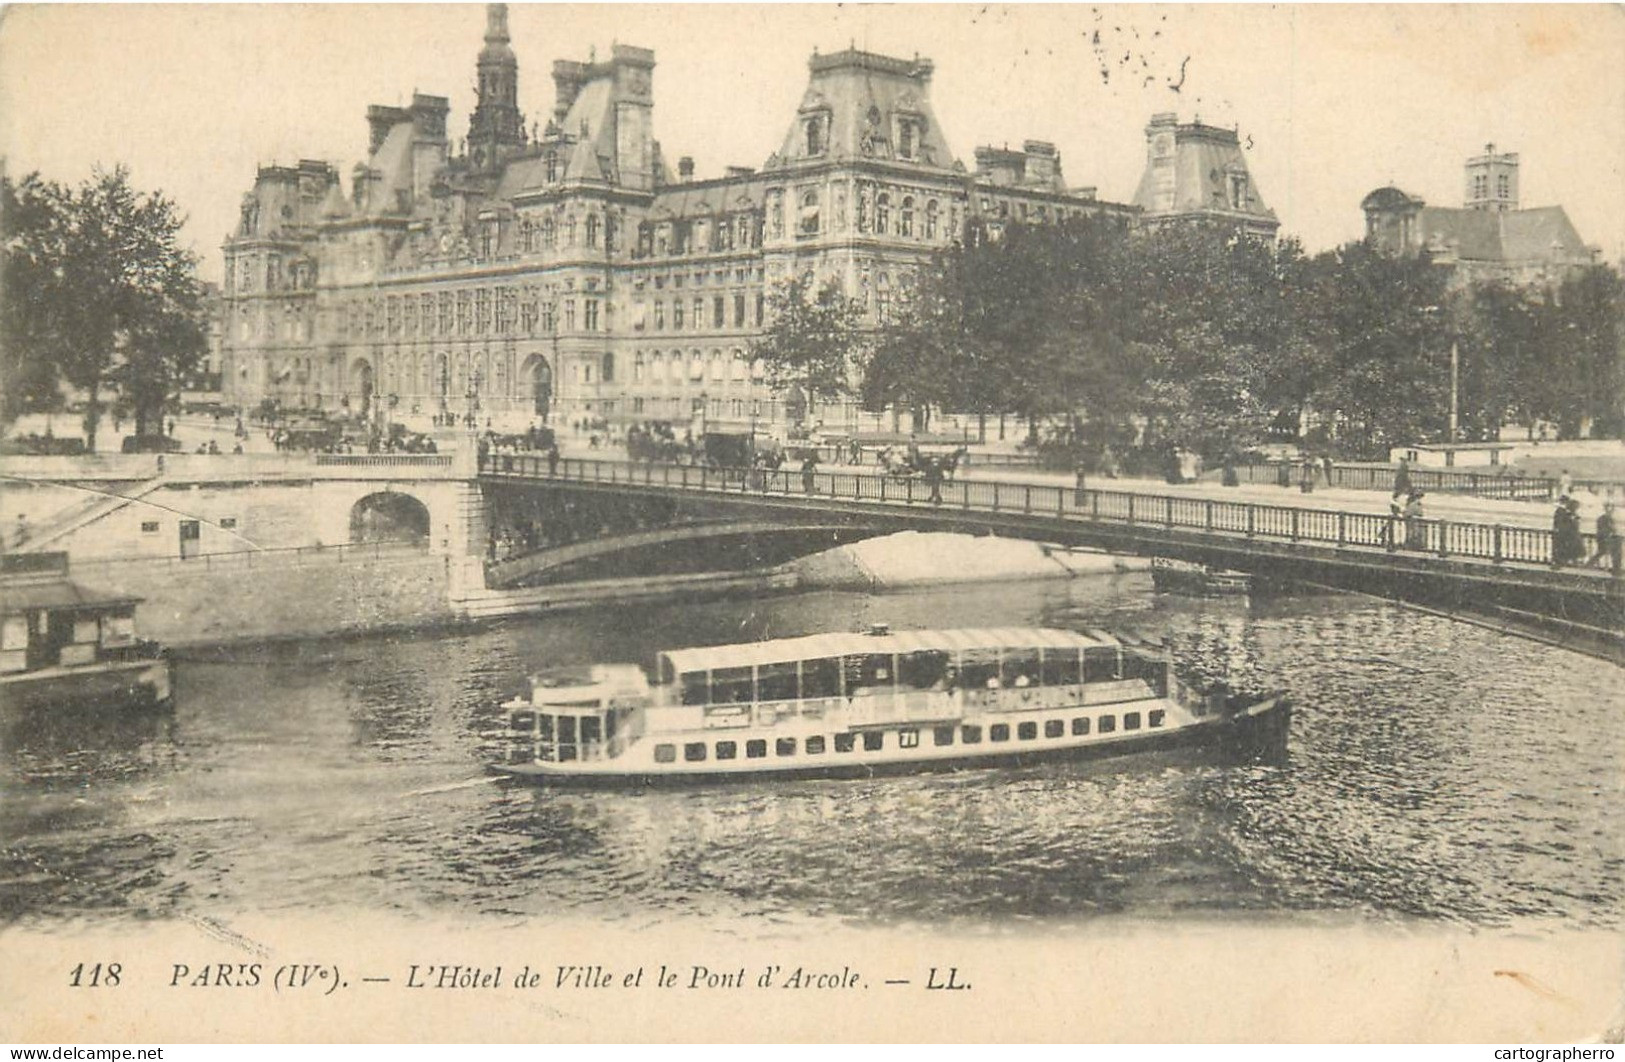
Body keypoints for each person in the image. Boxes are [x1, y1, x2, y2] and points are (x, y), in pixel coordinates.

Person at [1595, 501, 1622, 575]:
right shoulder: (1604, 518)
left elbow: (1612, 529)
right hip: (1605, 541)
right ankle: (1616, 570)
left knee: (1613, 553)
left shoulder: (1608, 518)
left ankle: (1616, 569)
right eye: (1610, 509)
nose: (1612, 511)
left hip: (1606, 540)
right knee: (1616, 553)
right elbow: (1606, 530)